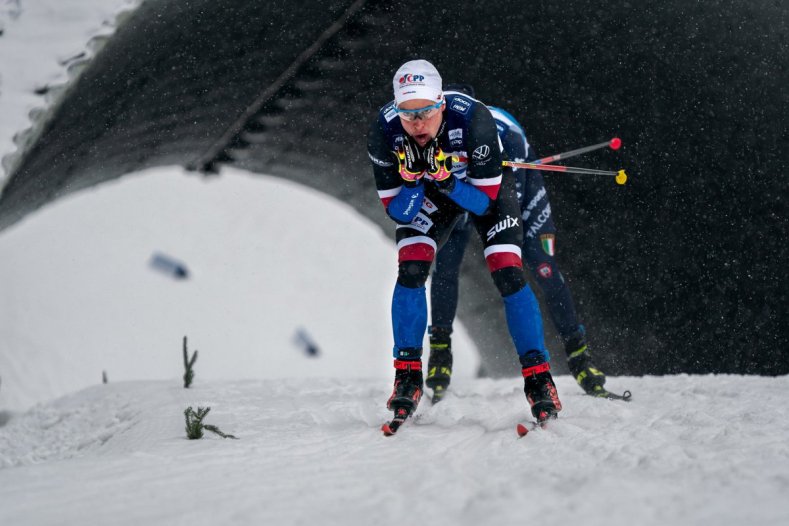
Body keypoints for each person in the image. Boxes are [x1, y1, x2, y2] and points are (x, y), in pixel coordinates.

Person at [367, 60, 562, 427]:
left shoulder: (473, 118)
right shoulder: (384, 130)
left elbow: (484, 203)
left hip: (478, 189)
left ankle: (539, 380)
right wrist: (412, 182)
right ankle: (407, 376)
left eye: (425, 112)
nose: (418, 124)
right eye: (408, 115)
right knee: (411, 268)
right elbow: (399, 212)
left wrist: (446, 181)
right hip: (429, 191)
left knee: (507, 271)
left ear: (441, 103)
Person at [426, 83, 608, 403]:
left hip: (513, 180)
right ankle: (440, 354)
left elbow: (502, 209)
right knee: (446, 261)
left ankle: (580, 356)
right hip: (463, 185)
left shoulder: (499, 137)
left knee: (541, 264)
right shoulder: (431, 136)